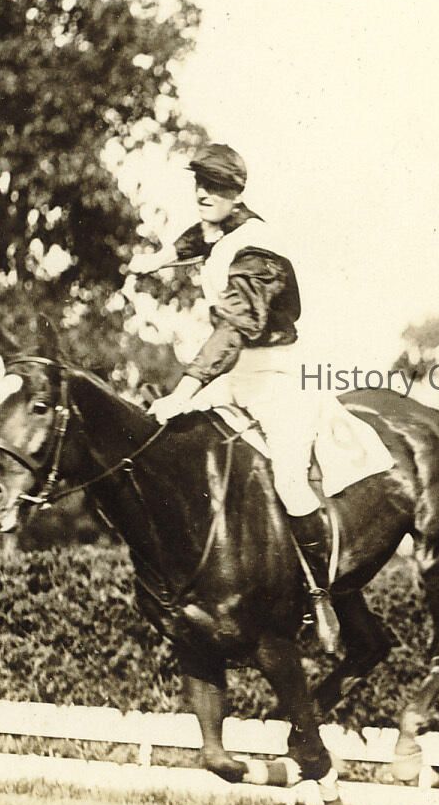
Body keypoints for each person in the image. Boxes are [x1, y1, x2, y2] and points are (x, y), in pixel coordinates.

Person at [130, 143, 328, 568]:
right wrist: (158, 260)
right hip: (235, 374)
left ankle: (323, 587)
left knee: (290, 483)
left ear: (237, 194)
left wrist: (183, 392)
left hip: (279, 378)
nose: (204, 193)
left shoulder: (258, 251)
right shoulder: (222, 226)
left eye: (216, 186)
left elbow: (233, 330)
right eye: (200, 184)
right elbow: (198, 239)